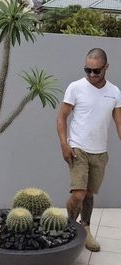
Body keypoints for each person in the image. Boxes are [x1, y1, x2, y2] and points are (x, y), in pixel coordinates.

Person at [57, 48, 121, 252]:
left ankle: (85, 229)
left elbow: (118, 122)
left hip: (100, 152)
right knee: (78, 194)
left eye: (96, 71)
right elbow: (61, 117)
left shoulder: (115, 92)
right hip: (78, 148)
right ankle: (68, 226)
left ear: (106, 68)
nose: (92, 75)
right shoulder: (75, 88)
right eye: (88, 70)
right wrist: (64, 144)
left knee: (90, 194)